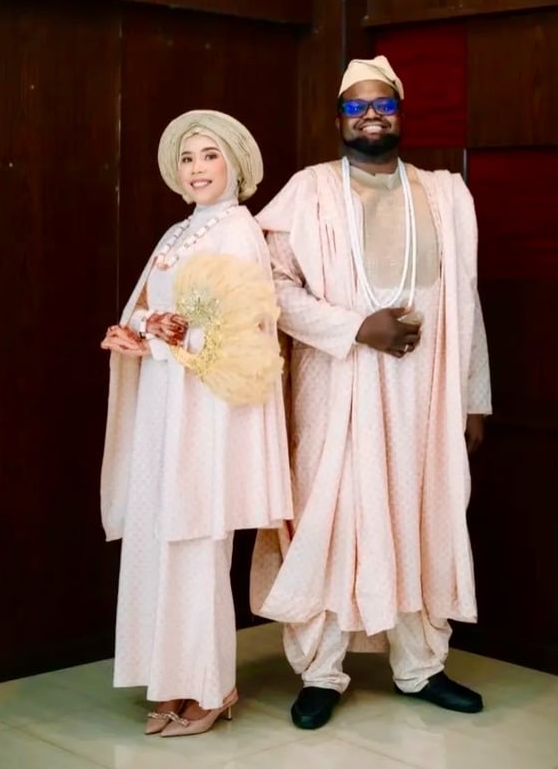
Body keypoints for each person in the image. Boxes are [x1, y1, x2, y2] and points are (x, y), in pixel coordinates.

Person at [250, 56, 491, 730]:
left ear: (400, 113)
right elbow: (273, 289)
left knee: (423, 517)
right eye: (356, 106)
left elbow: (465, 299)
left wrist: (474, 396)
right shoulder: (308, 191)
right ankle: (321, 672)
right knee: (331, 521)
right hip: (337, 386)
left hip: (424, 394)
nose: (371, 115)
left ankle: (421, 666)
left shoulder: (444, 195)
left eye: (382, 103)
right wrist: (357, 328)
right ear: (339, 119)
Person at [100, 110, 292, 738]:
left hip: (206, 412)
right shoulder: (178, 231)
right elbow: (150, 308)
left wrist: (167, 337)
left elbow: (247, 331)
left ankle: (212, 685)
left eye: (210, 155)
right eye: (187, 158)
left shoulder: (238, 230)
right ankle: (172, 682)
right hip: (166, 403)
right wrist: (140, 330)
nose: (197, 168)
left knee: (197, 542)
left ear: (234, 163)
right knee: (160, 537)